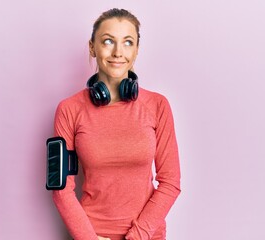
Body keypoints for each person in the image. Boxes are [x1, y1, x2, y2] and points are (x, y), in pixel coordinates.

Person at [52, 8, 181, 240]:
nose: (118, 52)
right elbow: (60, 188)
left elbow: (171, 182)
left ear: (137, 50)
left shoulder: (158, 106)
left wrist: (136, 237)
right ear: (93, 47)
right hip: (92, 235)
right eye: (108, 41)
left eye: (128, 42)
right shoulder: (69, 110)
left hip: (147, 236)